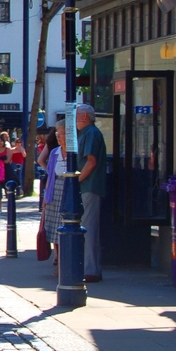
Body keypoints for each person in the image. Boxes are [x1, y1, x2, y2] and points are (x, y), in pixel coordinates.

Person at [77, 104, 107, 283]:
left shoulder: (91, 134)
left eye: (77, 116)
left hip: (89, 187)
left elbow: (91, 161)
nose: (75, 120)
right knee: (86, 228)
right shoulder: (87, 133)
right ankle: (88, 268)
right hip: (86, 187)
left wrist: (77, 179)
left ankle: (91, 270)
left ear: (85, 117)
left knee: (88, 229)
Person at [42, 121, 67, 271]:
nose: (58, 137)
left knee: (66, 225)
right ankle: (57, 257)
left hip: (67, 189)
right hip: (55, 189)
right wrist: (46, 197)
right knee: (54, 227)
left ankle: (64, 260)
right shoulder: (54, 153)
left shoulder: (73, 152)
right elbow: (50, 175)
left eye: (61, 134)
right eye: (57, 134)